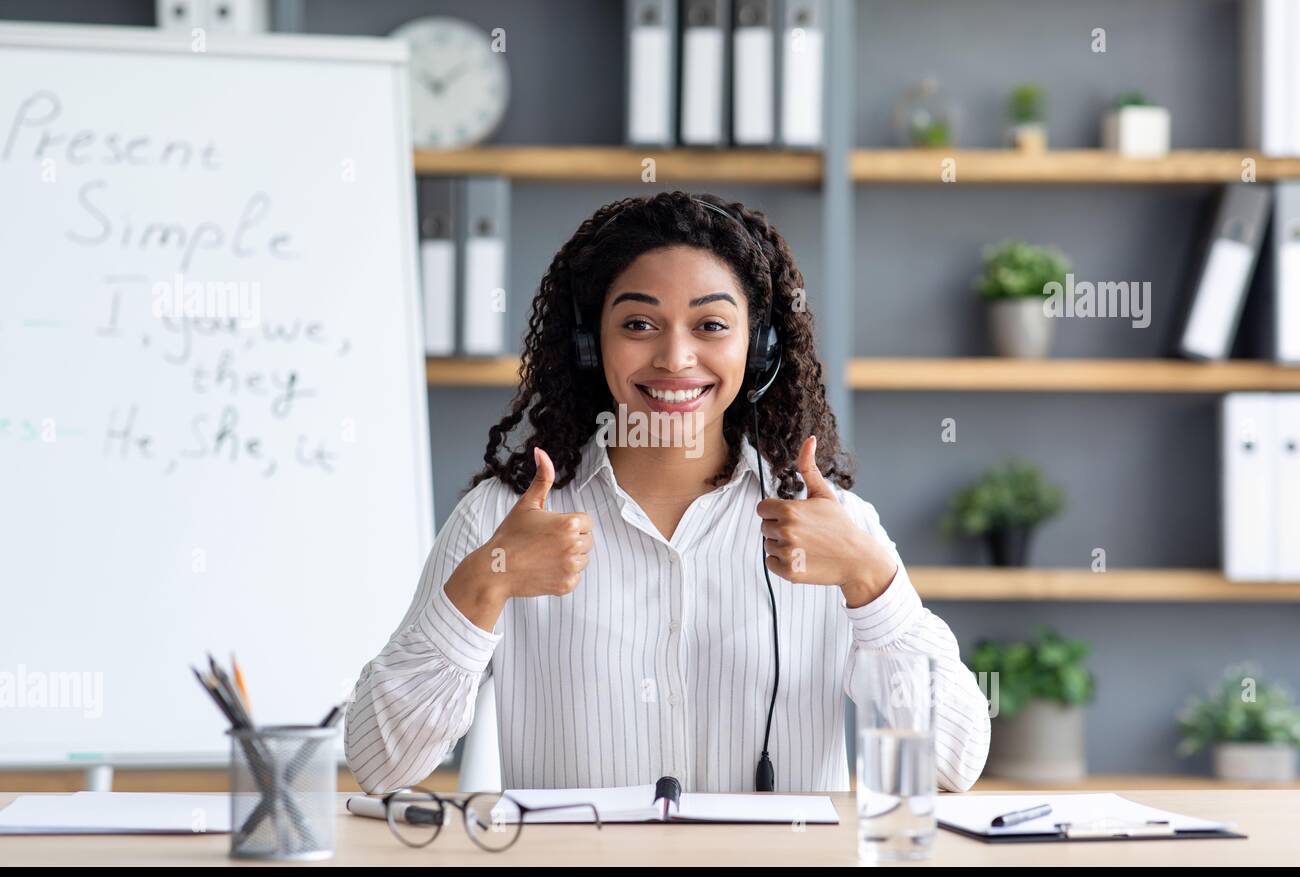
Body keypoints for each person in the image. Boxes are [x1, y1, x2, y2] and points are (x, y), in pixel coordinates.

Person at [345, 191, 990, 795]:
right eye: (638, 324)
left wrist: (873, 582)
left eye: (711, 325)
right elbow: (379, 762)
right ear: (590, 344)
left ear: (758, 348)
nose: (676, 357)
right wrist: (484, 583)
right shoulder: (501, 519)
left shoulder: (835, 528)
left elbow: (952, 763)